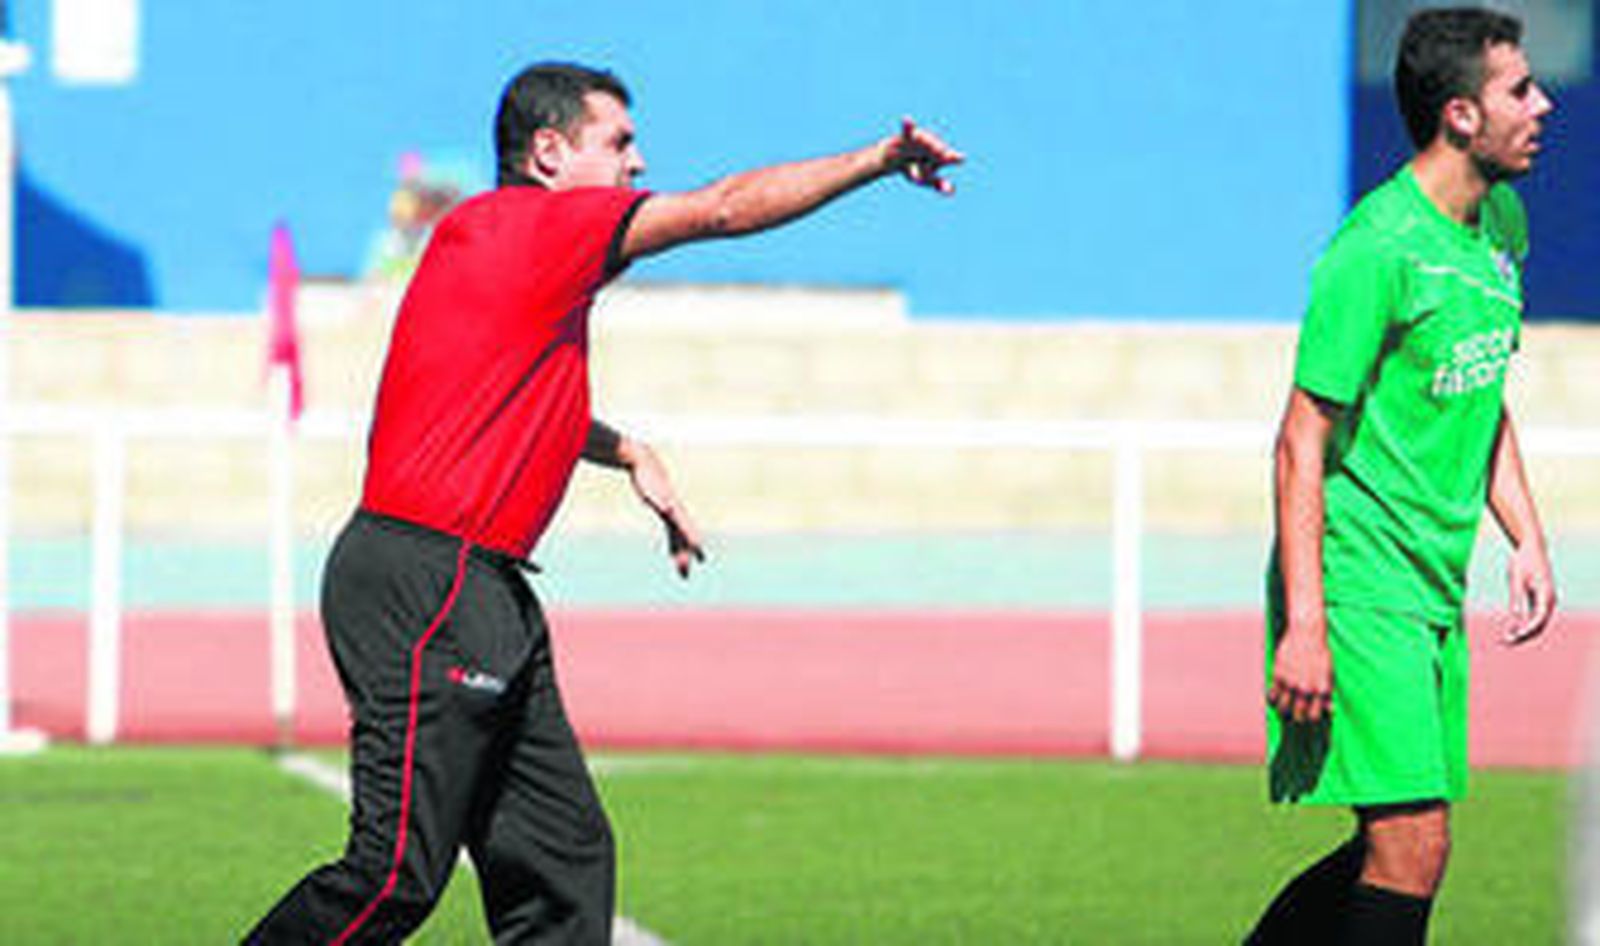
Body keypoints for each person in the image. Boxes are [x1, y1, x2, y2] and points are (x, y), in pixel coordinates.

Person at [244, 62, 962, 945]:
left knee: (561, 859)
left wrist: (626, 450)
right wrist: (879, 161)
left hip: (478, 586)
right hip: (429, 579)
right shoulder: (535, 227)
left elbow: (506, 394)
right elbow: (726, 208)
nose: (637, 160)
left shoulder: (493, 241)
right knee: (395, 874)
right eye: (618, 142)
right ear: (549, 153)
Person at [1244, 8, 1556, 945]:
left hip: (1428, 585)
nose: (1542, 105)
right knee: (1414, 846)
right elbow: (1300, 441)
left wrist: (1526, 533)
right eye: (1518, 89)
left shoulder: (1500, 220)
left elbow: (1481, 380)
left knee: (1390, 850)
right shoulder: (1374, 250)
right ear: (1461, 115)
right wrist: (1305, 624)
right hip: (1354, 582)